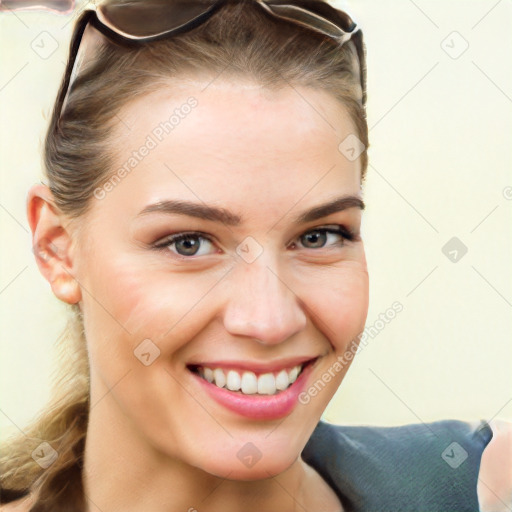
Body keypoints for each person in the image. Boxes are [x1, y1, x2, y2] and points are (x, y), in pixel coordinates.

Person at [0, 1, 510, 511]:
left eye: (319, 236)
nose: (269, 321)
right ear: (58, 249)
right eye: (188, 243)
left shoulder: (481, 488)